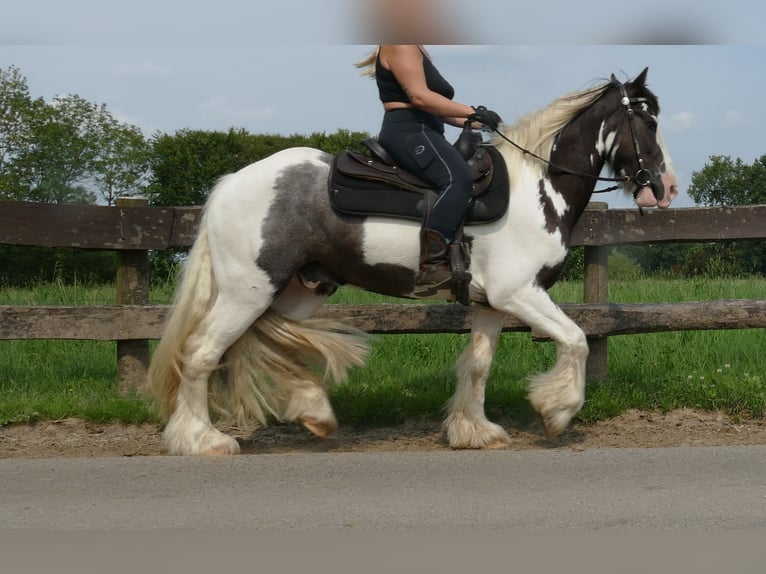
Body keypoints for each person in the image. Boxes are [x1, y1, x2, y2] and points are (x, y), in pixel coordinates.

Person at [356, 45, 502, 295]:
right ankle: (431, 266)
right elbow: (420, 98)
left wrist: (480, 120)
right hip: (410, 131)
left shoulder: (417, 49)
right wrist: (472, 112)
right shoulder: (401, 43)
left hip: (428, 129)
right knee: (458, 179)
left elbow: (441, 109)